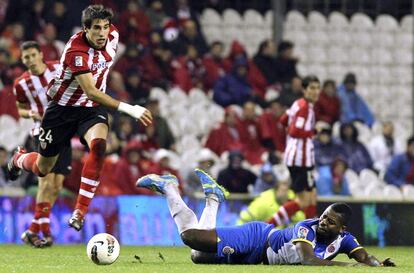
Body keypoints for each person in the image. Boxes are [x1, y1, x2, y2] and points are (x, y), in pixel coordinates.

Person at [7, 5, 153, 231]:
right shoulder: (76, 50)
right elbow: (91, 90)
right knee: (42, 169)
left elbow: (92, 98)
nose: (102, 33)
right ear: (85, 29)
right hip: (62, 111)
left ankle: (80, 211)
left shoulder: (113, 35)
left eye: (105, 27)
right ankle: (18, 159)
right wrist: (130, 109)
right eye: (96, 28)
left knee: (99, 147)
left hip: (90, 109)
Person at [136, 172, 395, 266]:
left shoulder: (345, 240)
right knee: (190, 238)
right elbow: (308, 261)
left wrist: (378, 265)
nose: (323, 222)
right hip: (259, 238)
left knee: (197, 256)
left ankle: (214, 198)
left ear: (342, 229)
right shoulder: (307, 228)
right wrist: (347, 267)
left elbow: (364, 257)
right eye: (324, 217)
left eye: (329, 222)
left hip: (256, 258)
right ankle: (170, 187)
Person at [13, 41, 72, 247]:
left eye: (32, 55)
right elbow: (20, 108)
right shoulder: (21, 83)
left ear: (40, 54)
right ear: (22, 60)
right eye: (26, 57)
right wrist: (30, 113)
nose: (30, 60)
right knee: (45, 181)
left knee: (56, 186)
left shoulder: (58, 68)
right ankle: (45, 232)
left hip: (64, 130)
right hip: (41, 132)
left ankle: (32, 230)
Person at [268, 75, 320, 227]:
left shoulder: (297, 104)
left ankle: (312, 234)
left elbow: (284, 120)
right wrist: (313, 132)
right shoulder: (305, 108)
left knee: (311, 197)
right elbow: (294, 131)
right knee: (304, 200)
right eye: (312, 88)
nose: (316, 92)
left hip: (299, 159)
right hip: (301, 160)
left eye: (318, 88)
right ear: (304, 90)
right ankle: (268, 226)